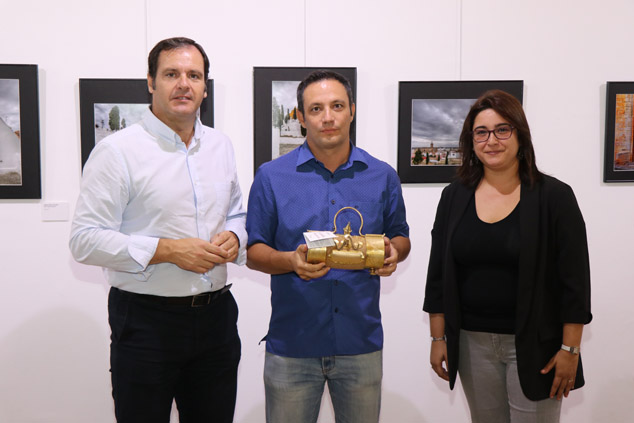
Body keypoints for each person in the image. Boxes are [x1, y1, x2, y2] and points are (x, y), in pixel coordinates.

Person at [69, 37, 246, 423]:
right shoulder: (117, 151)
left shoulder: (221, 146)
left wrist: (236, 236)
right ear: (151, 82)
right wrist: (167, 250)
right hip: (146, 323)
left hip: (216, 321)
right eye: (171, 74)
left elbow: (236, 212)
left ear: (204, 87)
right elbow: (84, 240)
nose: (184, 84)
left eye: (194, 75)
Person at [246, 70, 410, 423]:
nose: (328, 117)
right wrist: (290, 261)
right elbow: (254, 252)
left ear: (352, 110)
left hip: (360, 342)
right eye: (316, 109)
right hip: (293, 343)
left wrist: (394, 252)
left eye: (337, 106)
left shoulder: (382, 175)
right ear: (301, 118)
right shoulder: (271, 176)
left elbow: (400, 235)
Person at [423, 89, 592, 423]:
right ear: (471, 141)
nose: (492, 141)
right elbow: (438, 275)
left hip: (537, 344)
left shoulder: (554, 196)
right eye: (481, 132)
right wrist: (438, 337)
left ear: (520, 134)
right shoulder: (454, 196)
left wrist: (570, 349)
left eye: (502, 129)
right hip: (471, 344)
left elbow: (575, 282)